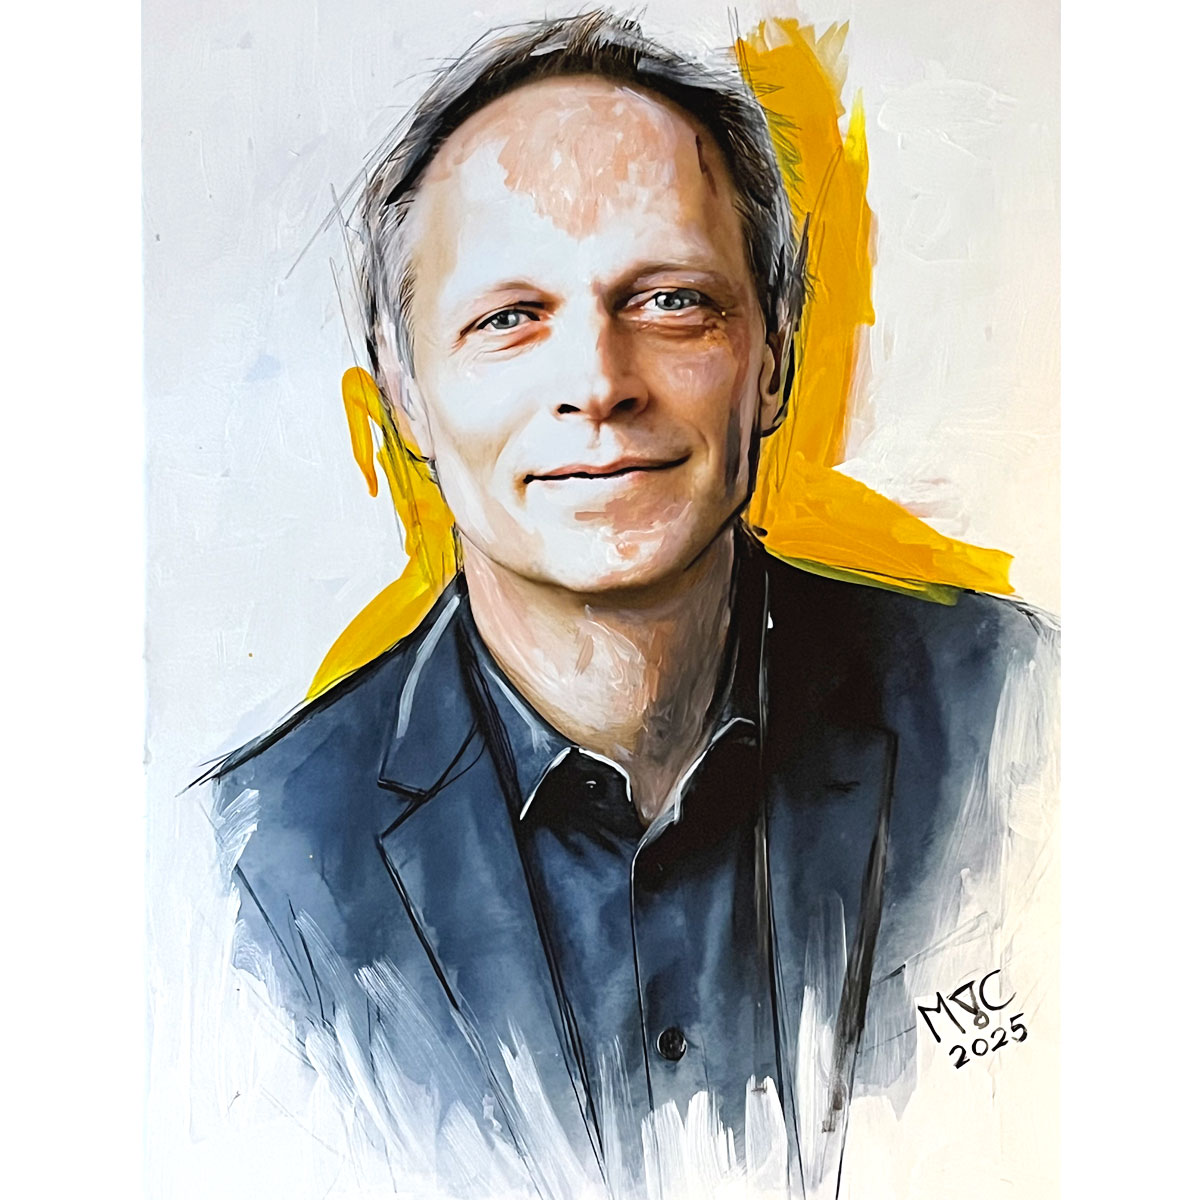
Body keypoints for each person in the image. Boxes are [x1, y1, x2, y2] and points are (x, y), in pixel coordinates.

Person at [209, 10, 1053, 1196]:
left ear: (773, 357)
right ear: (403, 394)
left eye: (671, 302)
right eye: (510, 319)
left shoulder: (1031, 724)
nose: (600, 384)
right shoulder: (254, 871)